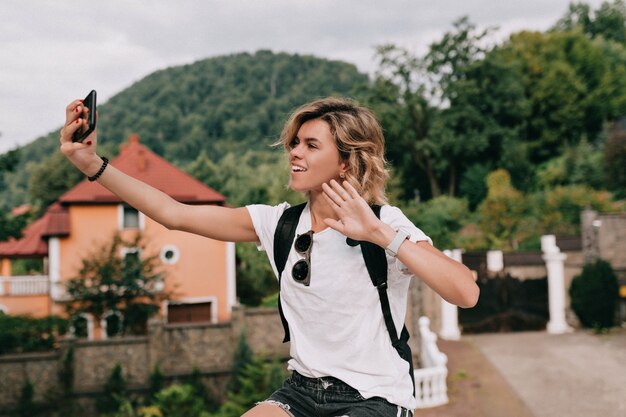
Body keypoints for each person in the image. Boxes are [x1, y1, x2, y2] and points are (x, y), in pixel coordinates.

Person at [60, 96, 479, 417]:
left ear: (347, 162)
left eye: (311, 145)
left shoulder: (386, 223)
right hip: (302, 391)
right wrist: (91, 163)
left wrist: (379, 234)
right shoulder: (278, 225)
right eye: (295, 143)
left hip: (377, 397)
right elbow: (175, 214)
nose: (295, 152)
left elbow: (465, 292)